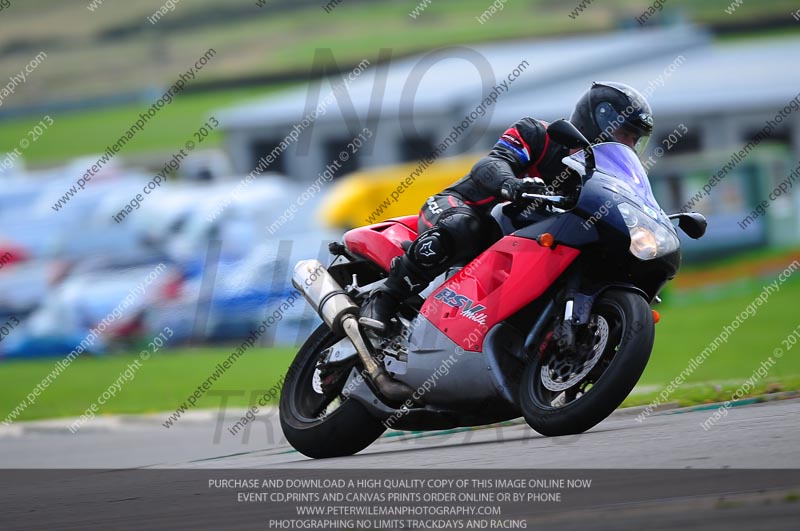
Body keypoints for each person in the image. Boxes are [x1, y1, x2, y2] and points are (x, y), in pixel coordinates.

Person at [359, 81, 654, 333]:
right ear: (597, 122)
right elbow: (490, 163)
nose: (629, 144)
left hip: (522, 244)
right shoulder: (538, 133)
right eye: (624, 134)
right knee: (463, 225)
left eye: (634, 139)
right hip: (462, 208)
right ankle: (385, 297)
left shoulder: (604, 177)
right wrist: (512, 184)